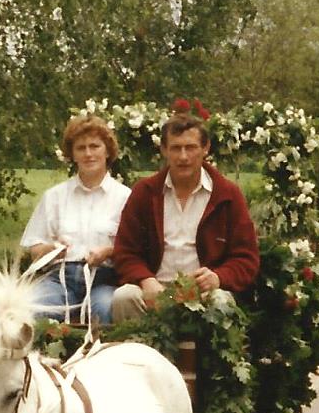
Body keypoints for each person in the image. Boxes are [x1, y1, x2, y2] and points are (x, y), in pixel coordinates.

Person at [111, 109, 259, 320]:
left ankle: (208, 355)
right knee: (123, 297)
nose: (183, 157)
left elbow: (246, 258)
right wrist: (145, 280)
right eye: (176, 148)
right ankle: (136, 351)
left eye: (190, 148)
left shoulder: (227, 195)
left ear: (205, 148)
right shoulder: (144, 193)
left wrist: (218, 277)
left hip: (203, 292)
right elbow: (125, 252)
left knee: (221, 302)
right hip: (155, 288)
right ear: (164, 150)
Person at [21, 113, 130, 324]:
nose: (88, 153)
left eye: (95, 146)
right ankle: (42, 357)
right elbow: (34, 249)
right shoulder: (55, 197)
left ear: (107, 151)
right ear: (72, 154)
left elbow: (136, 248)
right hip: (59, 279)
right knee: (34, 307)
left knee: (104, 310)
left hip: (105, 279)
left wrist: (109, 251)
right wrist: (51, 249)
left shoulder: (125, 197)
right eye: (81, 148)